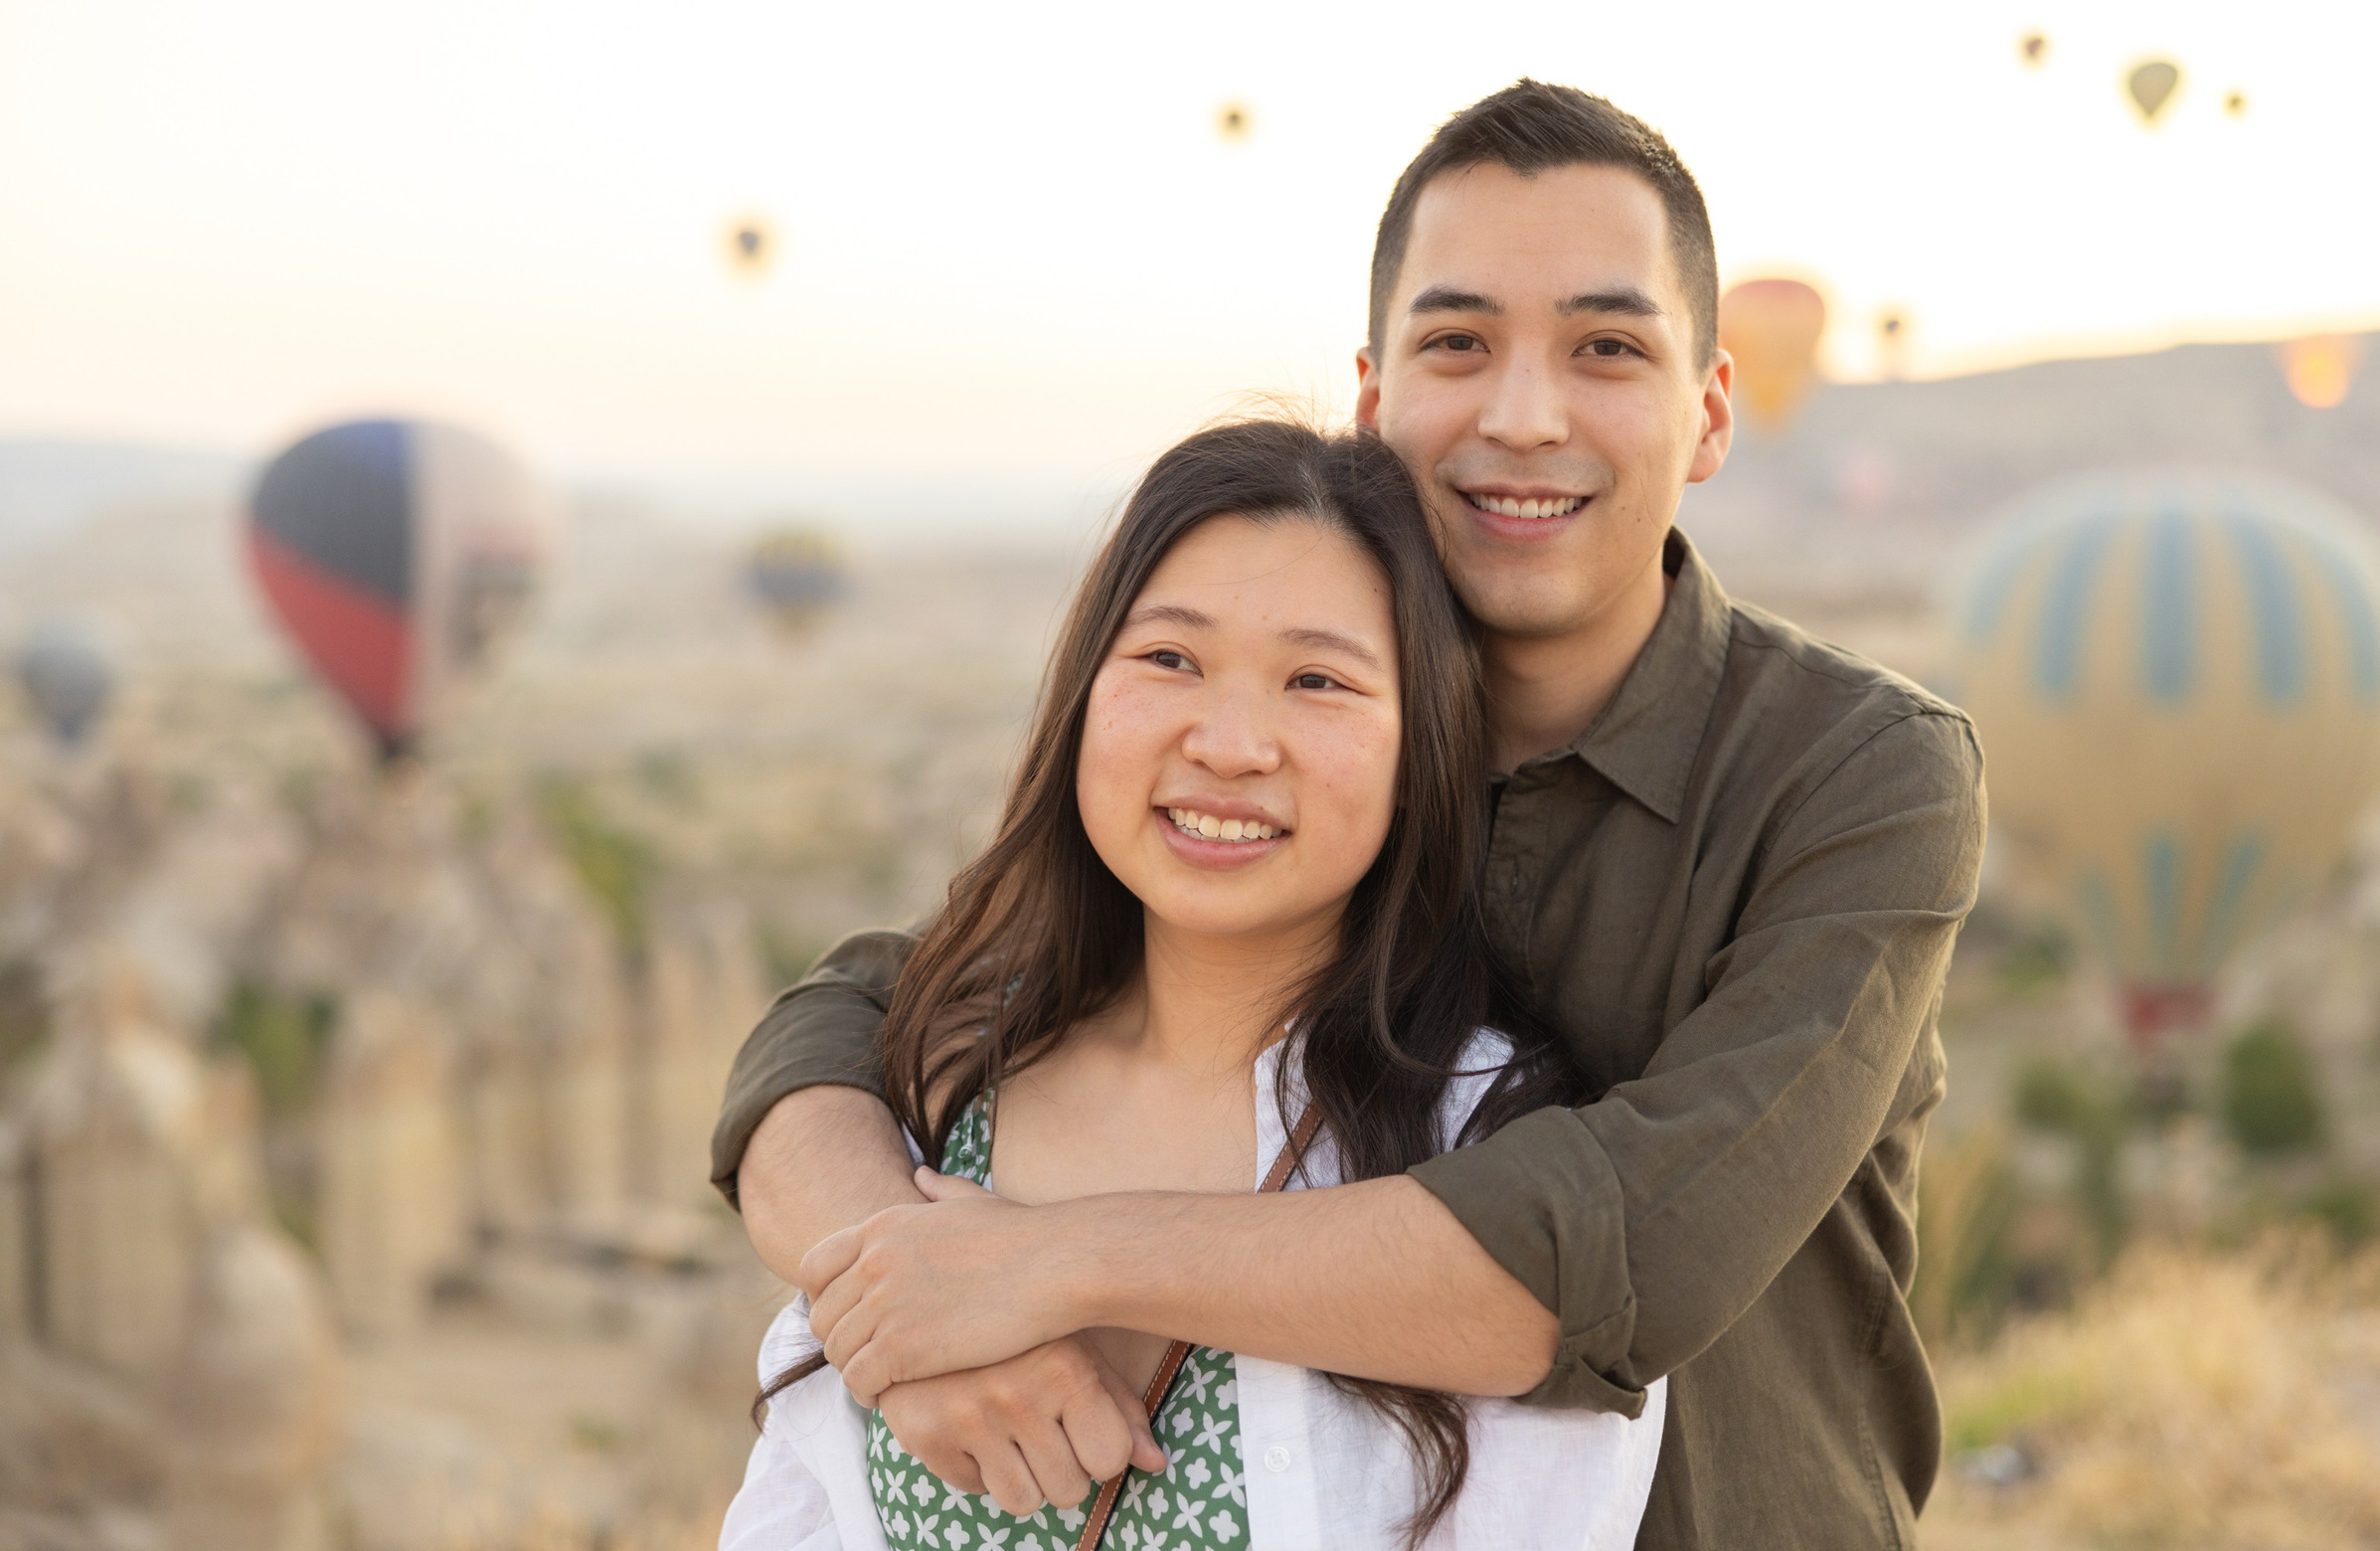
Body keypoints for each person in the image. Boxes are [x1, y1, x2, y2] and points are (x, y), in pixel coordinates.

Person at [715, 81, 1986, 1550]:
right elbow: (850, 1013)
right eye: (1460, 344)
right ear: (1375, 400)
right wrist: (903, 1304)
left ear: (1711, 411)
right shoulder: (1293, 761)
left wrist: (1043, 1264)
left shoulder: (1856, 770)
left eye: (1608, 348)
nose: (1524, 413)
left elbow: (1624, 1249)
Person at [721, 420, 1665, 1549]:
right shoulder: (925, 1099)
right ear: (1082, 696)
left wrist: (1043, 1272)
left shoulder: (1488, 1151)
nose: (1229, 743)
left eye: (1317, 680)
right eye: (1169, 659)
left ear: (1424, 751)